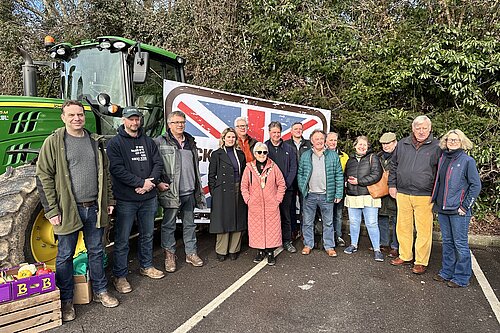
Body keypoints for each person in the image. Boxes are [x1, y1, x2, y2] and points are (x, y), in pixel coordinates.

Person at [36, 100, 119, 322]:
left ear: (84, 116)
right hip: (67, 210)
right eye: (71, 115)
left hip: (94, 208)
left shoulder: (94, 141)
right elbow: (43, 176)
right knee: (64, 256)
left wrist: (109, 199)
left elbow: (106, 174)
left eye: (80, 114)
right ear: (63, 118)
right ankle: (66, 300)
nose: (76, 119)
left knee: (96, 251)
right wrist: (51, 209)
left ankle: (101, 291)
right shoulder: (54, 142)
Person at [107, 106, 165, 295]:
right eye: (131, 119)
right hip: (126, 200)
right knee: (122, 240)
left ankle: (146, 266)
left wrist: (151, 183)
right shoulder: (115, 143)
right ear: (124, 120)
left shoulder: (148, 141)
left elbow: (158, 163)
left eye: (137, 119)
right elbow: (116, 169)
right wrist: (140, 183)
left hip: (148, 198)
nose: (134, 122)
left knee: (147, 235)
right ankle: (120, 276)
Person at [388, 115, 441, 274]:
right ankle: (405, 255)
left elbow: (440, 171)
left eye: (424, 128)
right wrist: (392, 185)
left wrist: (436, 192)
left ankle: (421, 261)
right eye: (418, 128)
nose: (421, 131)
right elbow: (394, 165)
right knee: (403, 227)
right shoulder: (403, 144)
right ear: (413, 129)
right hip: (403, 193)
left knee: (424, 230)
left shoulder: (437, 146)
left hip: (425, 195)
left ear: (430, 129)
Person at [155, 111, 206, 273]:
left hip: (189, 191)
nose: (180, 125)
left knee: (190, 225)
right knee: (169, 225)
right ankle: (169, 256)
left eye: (182, 122)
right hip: (171, 192)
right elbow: (154, 165)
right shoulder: (160, 142)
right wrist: (158, 183)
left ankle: (191, 253)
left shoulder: (190, 141)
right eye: (176, 122)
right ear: (169, 124)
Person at [431, 129, 481, 287]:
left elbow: (476, 185)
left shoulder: (467, 161)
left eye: (456, 140)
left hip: (459, 210)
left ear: (462, 142)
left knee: (460, 244)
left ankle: (461, 277)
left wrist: (465, 206)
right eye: (449, 140)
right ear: (445, 142)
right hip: (443, 209)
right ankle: (446, 272)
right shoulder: (443, 158)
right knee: (447, 242)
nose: (452, 142)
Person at [298, 129, 344, 256]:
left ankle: (329, 246)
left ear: (324, 141)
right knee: (307, 221)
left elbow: (339, 175)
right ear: (312, 141)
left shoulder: (333, 156)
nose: (319, 141)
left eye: (321, 139)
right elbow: (300, 173)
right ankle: (308, 244)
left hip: (326, 195)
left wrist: (338, 193)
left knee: (328, 222)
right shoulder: (306, 155)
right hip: (310, 195)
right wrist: (303, 189)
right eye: (316, 139)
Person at [241, 142, 286, 266]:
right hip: (255, 205)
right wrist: (248, 200)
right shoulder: (249, 168)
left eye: (264, 152)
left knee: (272, 229)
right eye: (259, 152)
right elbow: (244, 186)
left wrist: (278, 199)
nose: (262, 154)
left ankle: (271, 252)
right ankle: (260, 251)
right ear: (255, 154)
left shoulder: (273, 167)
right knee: (257, 229)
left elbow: (281, 184)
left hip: (271, 205)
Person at [208, 128, 247, 261]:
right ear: (223, 138)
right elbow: (211, 175)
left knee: (238, 218)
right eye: (228, 137)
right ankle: (221, 250)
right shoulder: (217, 154)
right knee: (223, 220)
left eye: (233, 137)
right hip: (223, 190)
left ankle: (233, 249)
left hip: (238, 189)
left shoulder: (241, 155)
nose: (231, 139)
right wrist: (215, 192)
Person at [343, 136, 384, 262]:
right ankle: (353, 245)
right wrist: (346, 183)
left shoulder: (373, 158)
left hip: (368, 196)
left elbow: (377, 175)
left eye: (364, 145)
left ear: (368, 147)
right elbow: (345, 176)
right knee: (354, 223)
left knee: (371, 223)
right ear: (355, 146)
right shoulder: (350, 160)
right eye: (359, 144)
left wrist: (359, 182)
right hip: (353, 196)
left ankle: (377, 249)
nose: (362, 147)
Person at [266, 121, 298, 253]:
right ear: (269, 133)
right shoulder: (264, 147)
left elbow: (293, 168)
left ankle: (287, 241)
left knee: (286, 216)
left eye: (278, 132)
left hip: (286, 190)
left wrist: (285, 185)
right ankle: (270, 242)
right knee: (270, 217)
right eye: (274, 132)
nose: (276, 134)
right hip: (268, 190)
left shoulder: (289, 149)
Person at [284, 122, 311, 239]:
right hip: (291, 178)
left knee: (305, 206)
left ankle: (304, 232)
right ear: (291, 131)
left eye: (300, 129)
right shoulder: (285, 144)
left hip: (304, 179)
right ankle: (293, 230)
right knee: (290, 207)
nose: (298, 131)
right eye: (296, 129)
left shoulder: (309, 144)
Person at [325, 132, 349, 247]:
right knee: (326, 215)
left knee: (338, 214)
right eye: (331, 140)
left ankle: (338, 236)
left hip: (338, 190)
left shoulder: (344, 156)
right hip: (325, 190)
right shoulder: (322, 154)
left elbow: (346, 173)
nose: (333, 142)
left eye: (335, 140)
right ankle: (327, 236)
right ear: (326, 141)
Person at [377, 132, 399, 258]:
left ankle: (395, 246)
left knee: (396, 220)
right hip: (381, 191)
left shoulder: (400, 156)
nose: (385, 146)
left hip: (394, 191)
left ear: (395, 142)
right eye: (383, 144)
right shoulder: (378, 156)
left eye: (388, 143)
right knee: (382, 217)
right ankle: (384, 243)